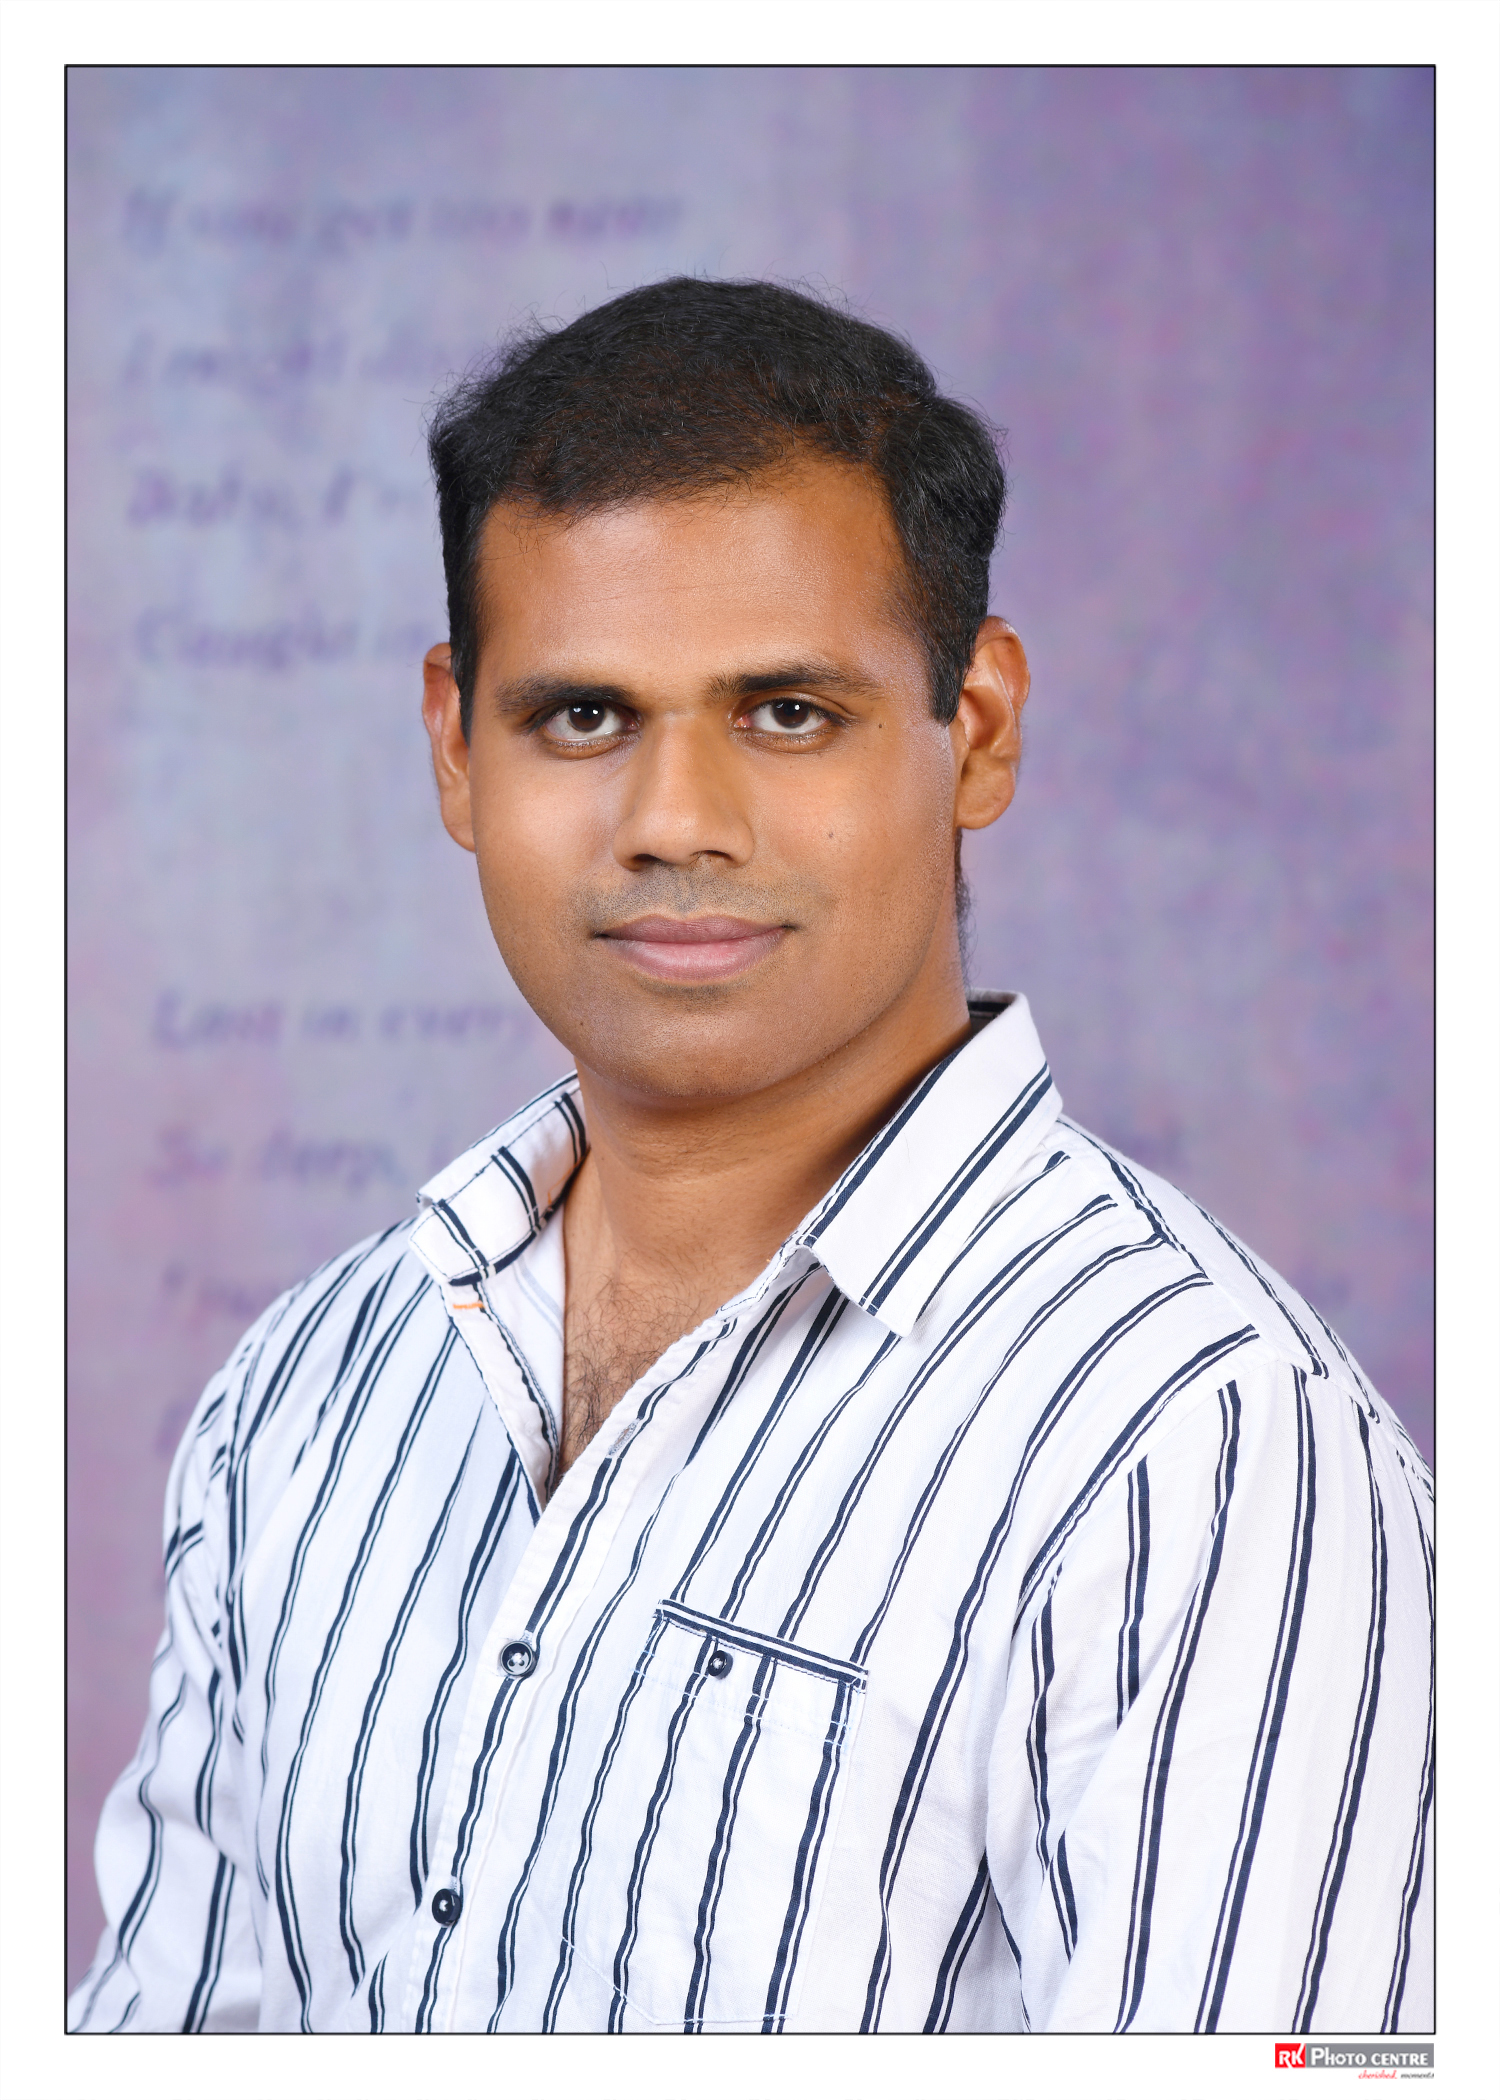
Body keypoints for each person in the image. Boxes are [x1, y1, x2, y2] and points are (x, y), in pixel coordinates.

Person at [70, 278, 1433, 2037]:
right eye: (583, 717)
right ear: (456, 748)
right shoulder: (308, 1393)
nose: (676, 824)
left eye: (787, 713)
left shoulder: (1205, 1451)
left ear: (978, 728)